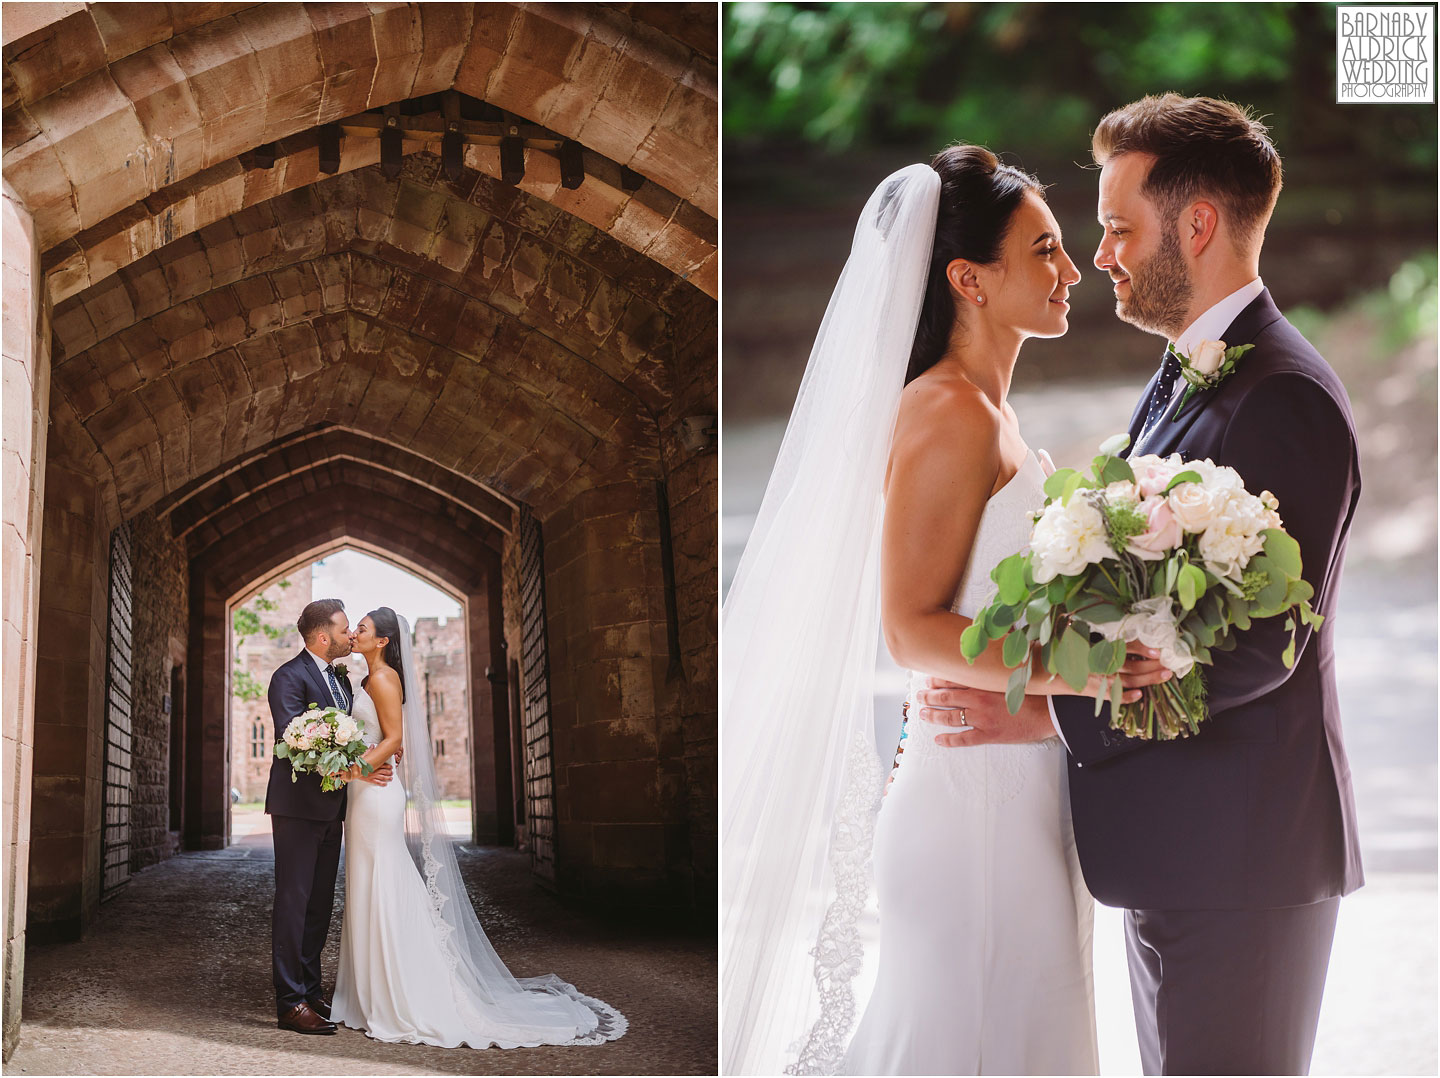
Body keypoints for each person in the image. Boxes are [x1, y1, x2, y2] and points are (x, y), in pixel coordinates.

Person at [914, 95, 1363, 1076]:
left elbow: (1257, 650)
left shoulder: (1280, 394)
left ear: (1195, 225)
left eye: (1118, 227)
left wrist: (1049, 715)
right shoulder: (1183, 376)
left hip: (1243, 858)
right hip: (1185, 843)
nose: (1101, 253)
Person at [720, 146, 1165, 1075]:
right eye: (1044, 249)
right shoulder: (949, 412)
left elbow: (979, 621)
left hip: (1019, 789)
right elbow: (910, 625)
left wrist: (1060, 678)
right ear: (970, 278)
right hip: (976, 815)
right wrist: (1075, 669)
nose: (1072, 268)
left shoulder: (997, 416)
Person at [330, 606, 627, 1049]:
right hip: (365, 790)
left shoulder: (383, 679)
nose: (355, 632)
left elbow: (394, 740)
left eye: (364, 628)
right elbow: (387, 741)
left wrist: (349, 771)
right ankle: (368, 992)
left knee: (382, 882)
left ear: (384, 641)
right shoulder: (364, 678)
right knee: (367, 882)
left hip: (374, 793)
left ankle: (403, 992)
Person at [265, 598, 394, 1035]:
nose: (349, 636)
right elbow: (294, 736)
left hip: (335, 807)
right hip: (297, 808)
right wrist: (358, 765)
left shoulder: (343, 678)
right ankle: (288, 1002)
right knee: (293, 900)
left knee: (320, 902)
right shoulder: (288, 677)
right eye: (343, 629)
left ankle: (310, 988)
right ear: (323, 637)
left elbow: (362, 730)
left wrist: (373, 760)